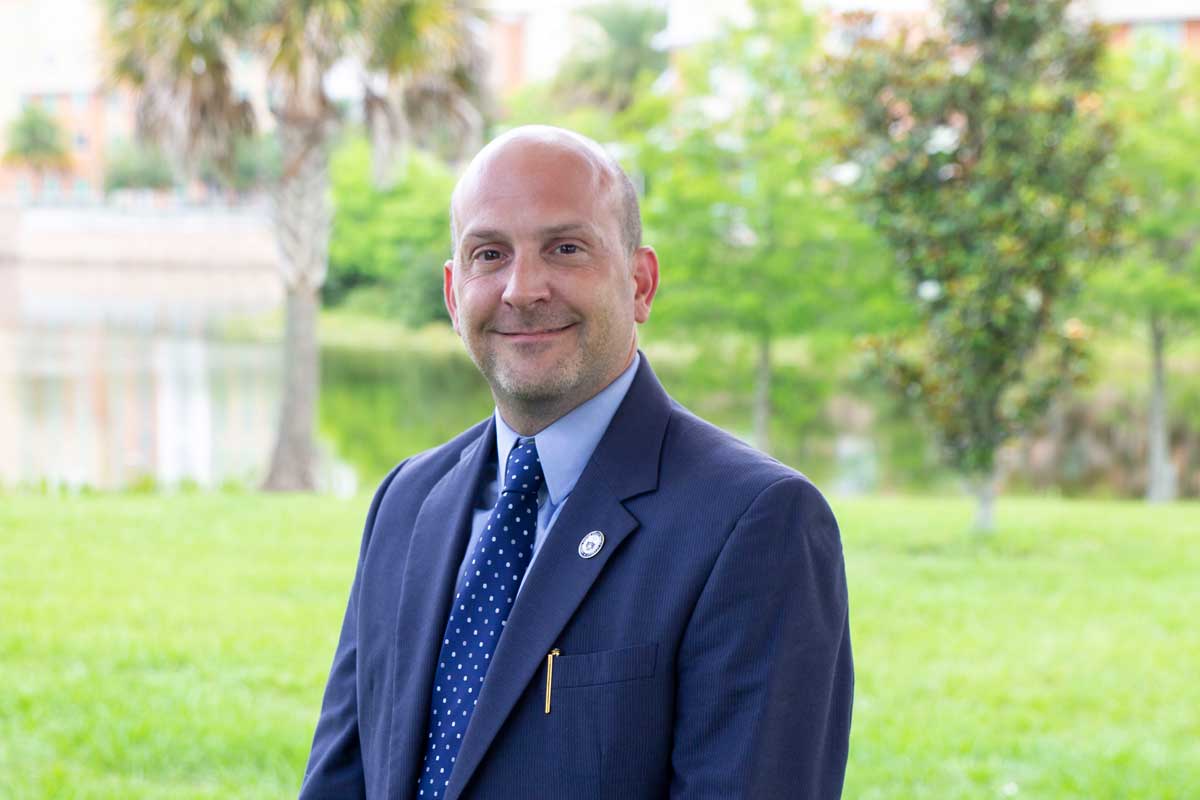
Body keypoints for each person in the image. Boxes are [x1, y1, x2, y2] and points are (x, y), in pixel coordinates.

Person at [299, 125, 853, 800]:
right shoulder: (408, 501)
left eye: (565, 249)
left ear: (640, 283)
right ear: (452, 293)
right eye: (489, 254)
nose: (522, 289)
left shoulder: (756, 524)